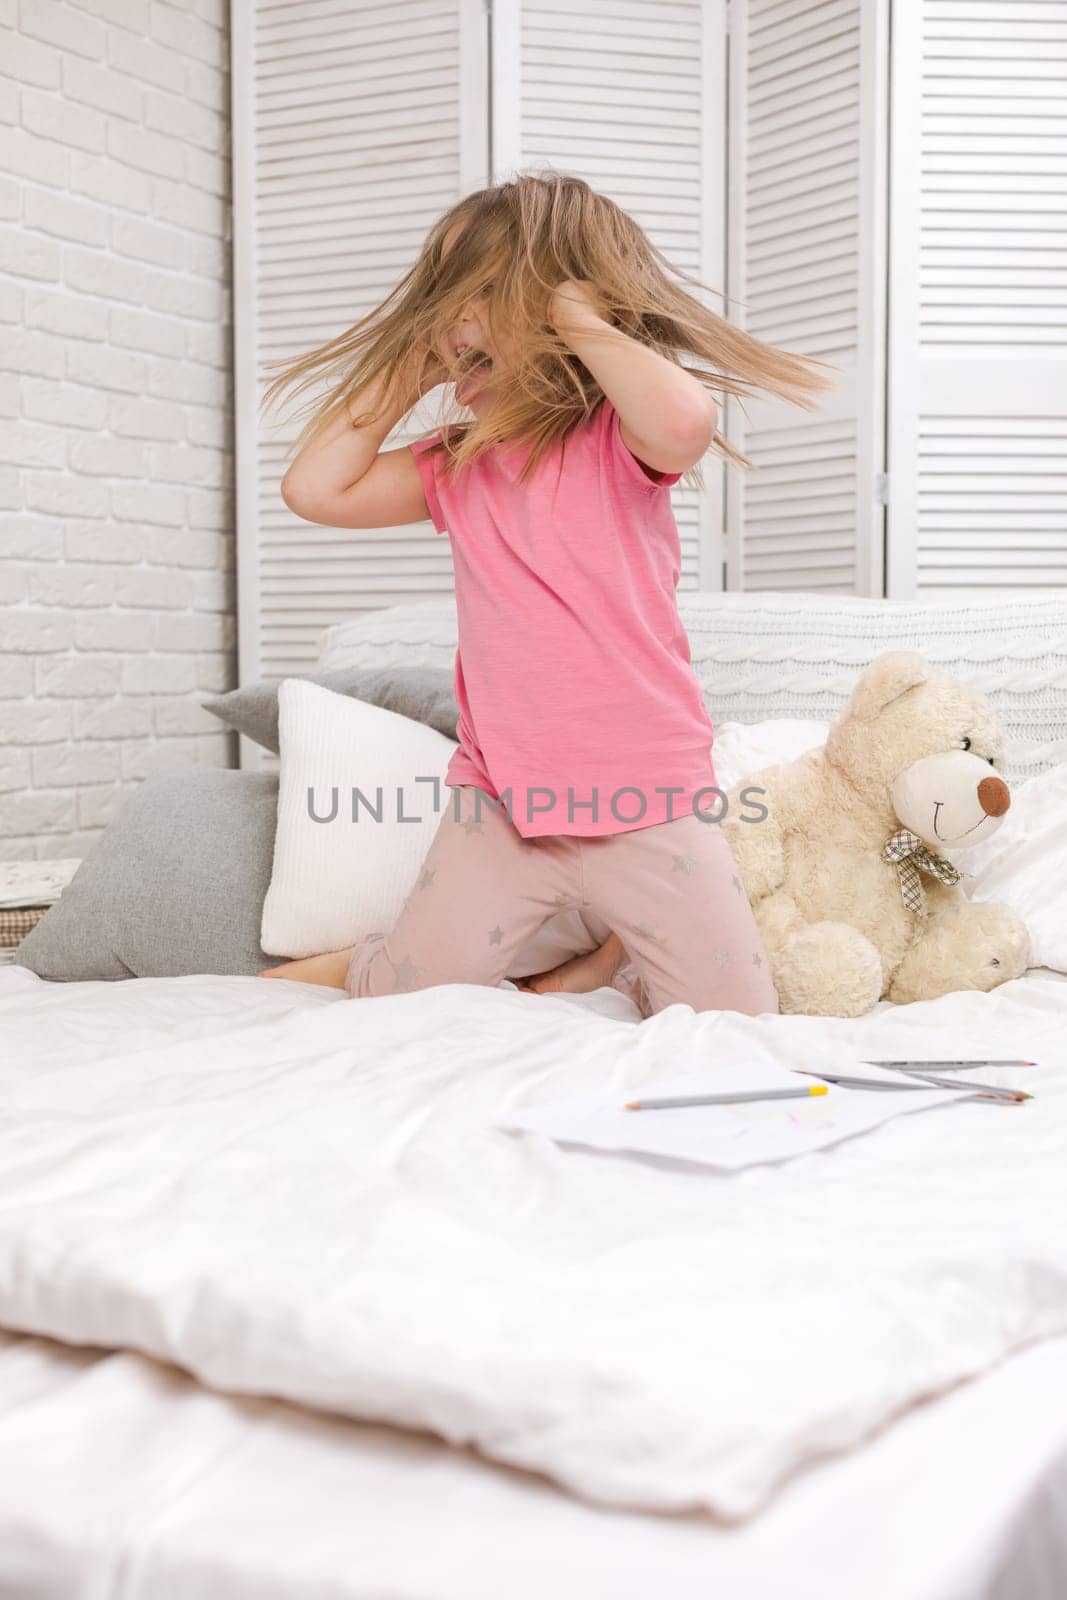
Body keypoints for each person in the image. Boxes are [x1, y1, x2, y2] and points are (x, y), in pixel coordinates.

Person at [257, 173, 833, 1017]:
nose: (452, 317)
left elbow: (683, 419)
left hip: (646, 801)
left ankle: (608, 953)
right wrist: (407, 370)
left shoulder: (617, 438)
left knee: (735, 1016)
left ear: (561, 303)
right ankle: (376, 958)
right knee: (410, 992)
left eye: (478, 292)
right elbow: (315, 490)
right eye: (442, 295)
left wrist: (571, 316)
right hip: (501, 803)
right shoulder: (456, 462)